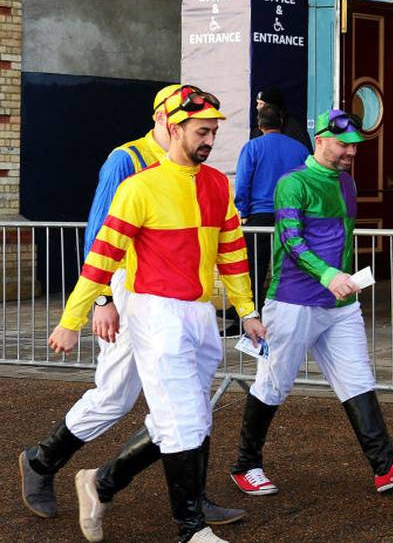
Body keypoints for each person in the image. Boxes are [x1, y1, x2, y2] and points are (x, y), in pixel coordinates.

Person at [18, 84, 244, 540]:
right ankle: (43, 460)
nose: (208, 137)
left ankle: (183, 499)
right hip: (130, 288)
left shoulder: (202, 173)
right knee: (118, 395)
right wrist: (101, 303)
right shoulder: (127, 160)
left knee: (182, 400)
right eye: (200, 127)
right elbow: (100, 234)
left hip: (178, 297)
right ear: (166, 120)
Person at [229, 109, 393, 497]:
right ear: (319, 140)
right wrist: (328, 276)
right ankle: (245, 466)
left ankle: (385, 466)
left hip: (340, 306)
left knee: (358, 379)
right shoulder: (293, 183)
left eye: (354, 146)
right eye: (343, 144)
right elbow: (291, 240)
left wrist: (341, 281)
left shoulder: (346, 184)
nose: (351, 153)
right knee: (273, 383)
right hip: (293, 302)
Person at [235, 103, 310, 297]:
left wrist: (243, 211)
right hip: (292, 216)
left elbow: (243, 182)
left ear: (259, 124)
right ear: (282, 123)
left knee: (254, 268)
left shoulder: (252, 147)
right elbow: (307, 183)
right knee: (291, 267)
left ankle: (250, 317)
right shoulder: (300, 149)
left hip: (258, 216)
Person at [250, 87, 313, 152]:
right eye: (257, 103)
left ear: (273, 107)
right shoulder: (257, 130)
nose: (257, 107)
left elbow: (306, 155)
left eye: (261, 104)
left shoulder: (295, 128)